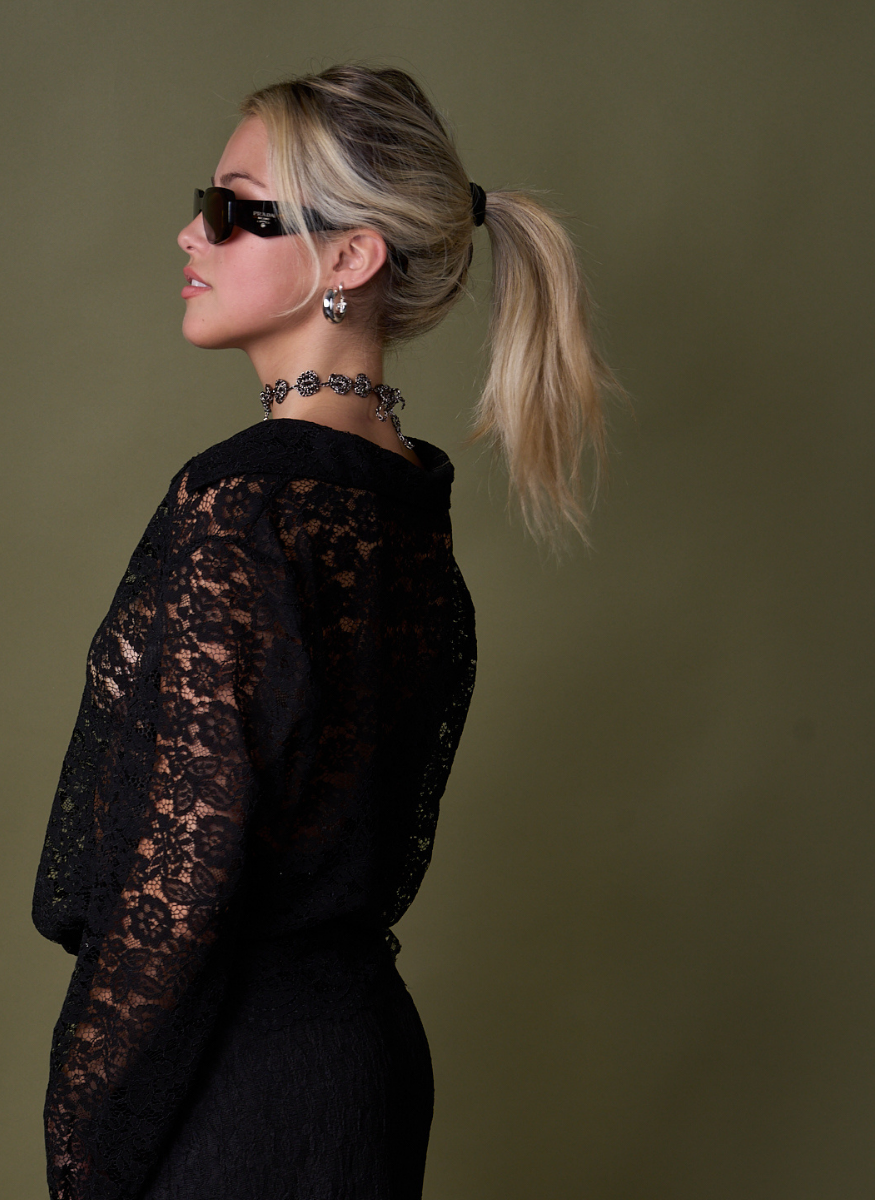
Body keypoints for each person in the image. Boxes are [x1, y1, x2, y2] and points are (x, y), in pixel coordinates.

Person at [32, 64, 615, 1200]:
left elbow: (181, 885)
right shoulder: (404, 505)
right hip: (356, 1068)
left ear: (350, 258)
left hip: (231, 1089)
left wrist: (81, 1145)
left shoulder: (241, 506)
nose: (191, 233)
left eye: (233, 209)